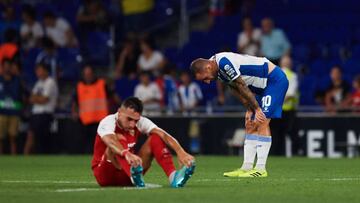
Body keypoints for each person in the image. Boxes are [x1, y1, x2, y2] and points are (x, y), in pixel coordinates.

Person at [190, 52, 288, 177]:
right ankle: (246, 167)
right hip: (259, 87)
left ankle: (261, 169)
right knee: (250, 123)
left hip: (273, 80)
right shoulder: (216, 69)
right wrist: (249, 108)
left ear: (208, 67)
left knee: (262, 120)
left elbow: (241, 84)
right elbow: (234, 88)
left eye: (205, 78)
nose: (207, 82)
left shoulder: (224, 63)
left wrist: (257, 108)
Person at [92, 97, 195, 187]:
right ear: (119, 113)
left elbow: (163, 134)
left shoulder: (140, 122)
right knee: (118, 137)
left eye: (136, 120)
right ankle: (134, 174)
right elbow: (110, 140)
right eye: (129, 119)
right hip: (105, 175)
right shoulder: (108, 121)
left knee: (156, 137)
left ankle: (173, 177)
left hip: (128, 175)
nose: (133, 125)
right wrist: (126, 153)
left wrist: (180, 151)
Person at [72, 65, 109, 153]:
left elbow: (112, 97)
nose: (88, 76)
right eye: (86, 74)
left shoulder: (102, 83)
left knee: (99, 144)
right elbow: (75, 101)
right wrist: (74, 112)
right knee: (85, 144)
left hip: (100, 120)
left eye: (89, 74)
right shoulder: (79, 86)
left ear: (93, 74)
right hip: (85, 120)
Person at [23, 63, 58, 154]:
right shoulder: (38, 83)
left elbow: (44, 99)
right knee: (31, 135)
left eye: (40, 70)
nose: (38, 72)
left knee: (41, 138)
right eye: (37, 70)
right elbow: (31, 98)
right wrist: (38, 98)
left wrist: (36, 98)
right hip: (35, 113)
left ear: (46, 71)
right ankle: (27, 157)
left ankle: (42, 156)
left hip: (45, 114)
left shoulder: (50, 82)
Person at [270, 55, 300, 156]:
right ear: (290, 64)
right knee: (291, 134)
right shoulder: (292, 76)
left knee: (275, 135)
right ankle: (296, 154)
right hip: (288, 111)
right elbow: (290, 94)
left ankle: (275, 155)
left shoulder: (273, 75)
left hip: (274, 110)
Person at [0, 59, 24, 154]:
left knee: (13, 137)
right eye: (4, 66)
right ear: (2, 67)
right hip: (1, 112)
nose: (7, 68)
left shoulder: (17, 80)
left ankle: (14, 157)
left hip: (14, 112)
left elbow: (21, 95)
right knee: (0, 138)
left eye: (8, 66)